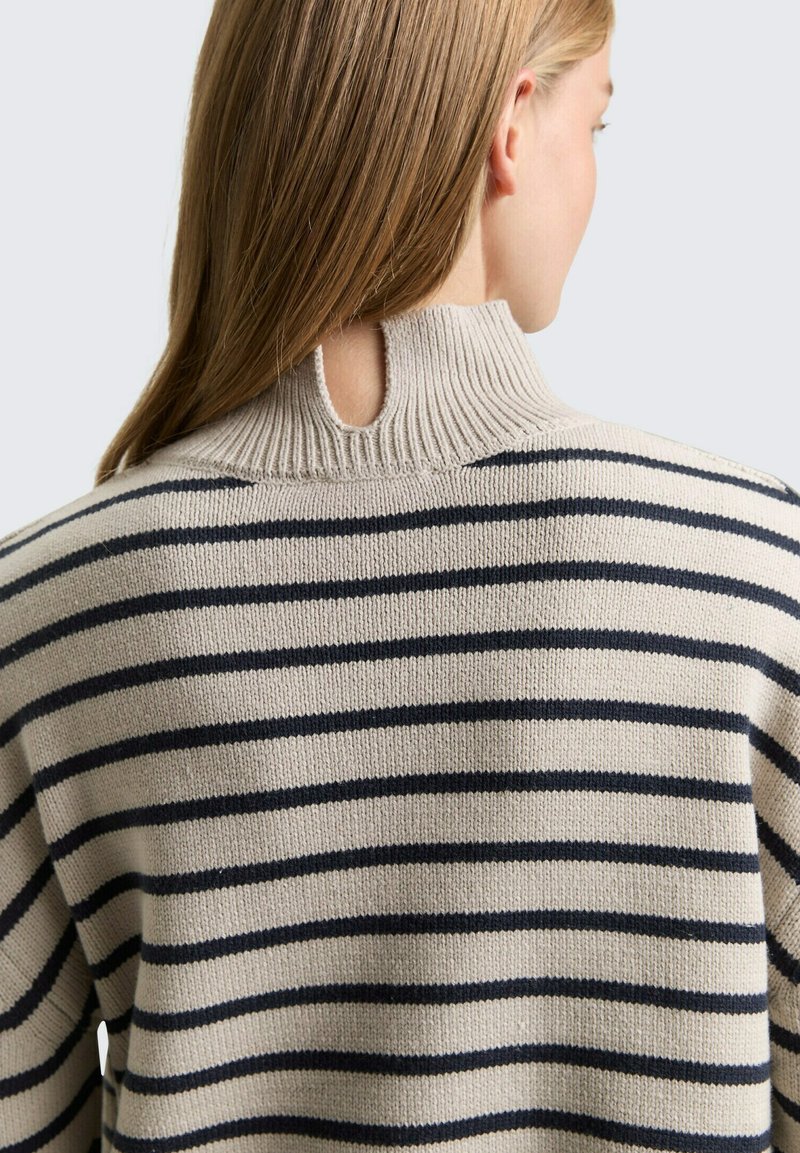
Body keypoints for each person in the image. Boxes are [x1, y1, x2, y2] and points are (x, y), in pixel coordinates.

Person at [1, 1, 797, 1149]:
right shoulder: (756, 584)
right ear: (512, 126)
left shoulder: (43, 620)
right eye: (595, 125)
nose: (591, 172)